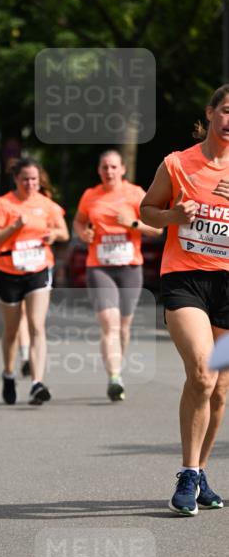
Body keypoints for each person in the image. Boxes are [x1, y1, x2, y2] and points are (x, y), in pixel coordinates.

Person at [140, 83, 229, 514]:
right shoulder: (178, 164)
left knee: (221, 389)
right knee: (202, 370)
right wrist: (174, 216)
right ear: (211, 113)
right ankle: (188, 473)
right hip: (186, 279)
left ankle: (201, 469)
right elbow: (147, 210)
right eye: (227, 111)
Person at [73, 150, 161, 401]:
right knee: (109, 324)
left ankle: (117, 371)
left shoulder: (136, 194)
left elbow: (157, 229)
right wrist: (82, 233)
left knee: (123, 327)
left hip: (130, 267)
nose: (108, 171)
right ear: (98, 170)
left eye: (113, 167)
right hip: (99, 266)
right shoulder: (90, 195)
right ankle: (114, 377)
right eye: (104, 167)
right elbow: (79, 222)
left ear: (122, 169)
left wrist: (131, 224)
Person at [0, 157, 69, 405]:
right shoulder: (4, 204)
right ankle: (9, 373)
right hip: (9, 271)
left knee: (36, 326)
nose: (30, 183)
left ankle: (36, 382)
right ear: (16, 180)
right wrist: (13, 227)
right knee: (11, 331)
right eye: (25, 179)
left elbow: (64, 232)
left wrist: (53, 233)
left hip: (39, 268)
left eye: (34, 179)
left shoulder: (46, 204)